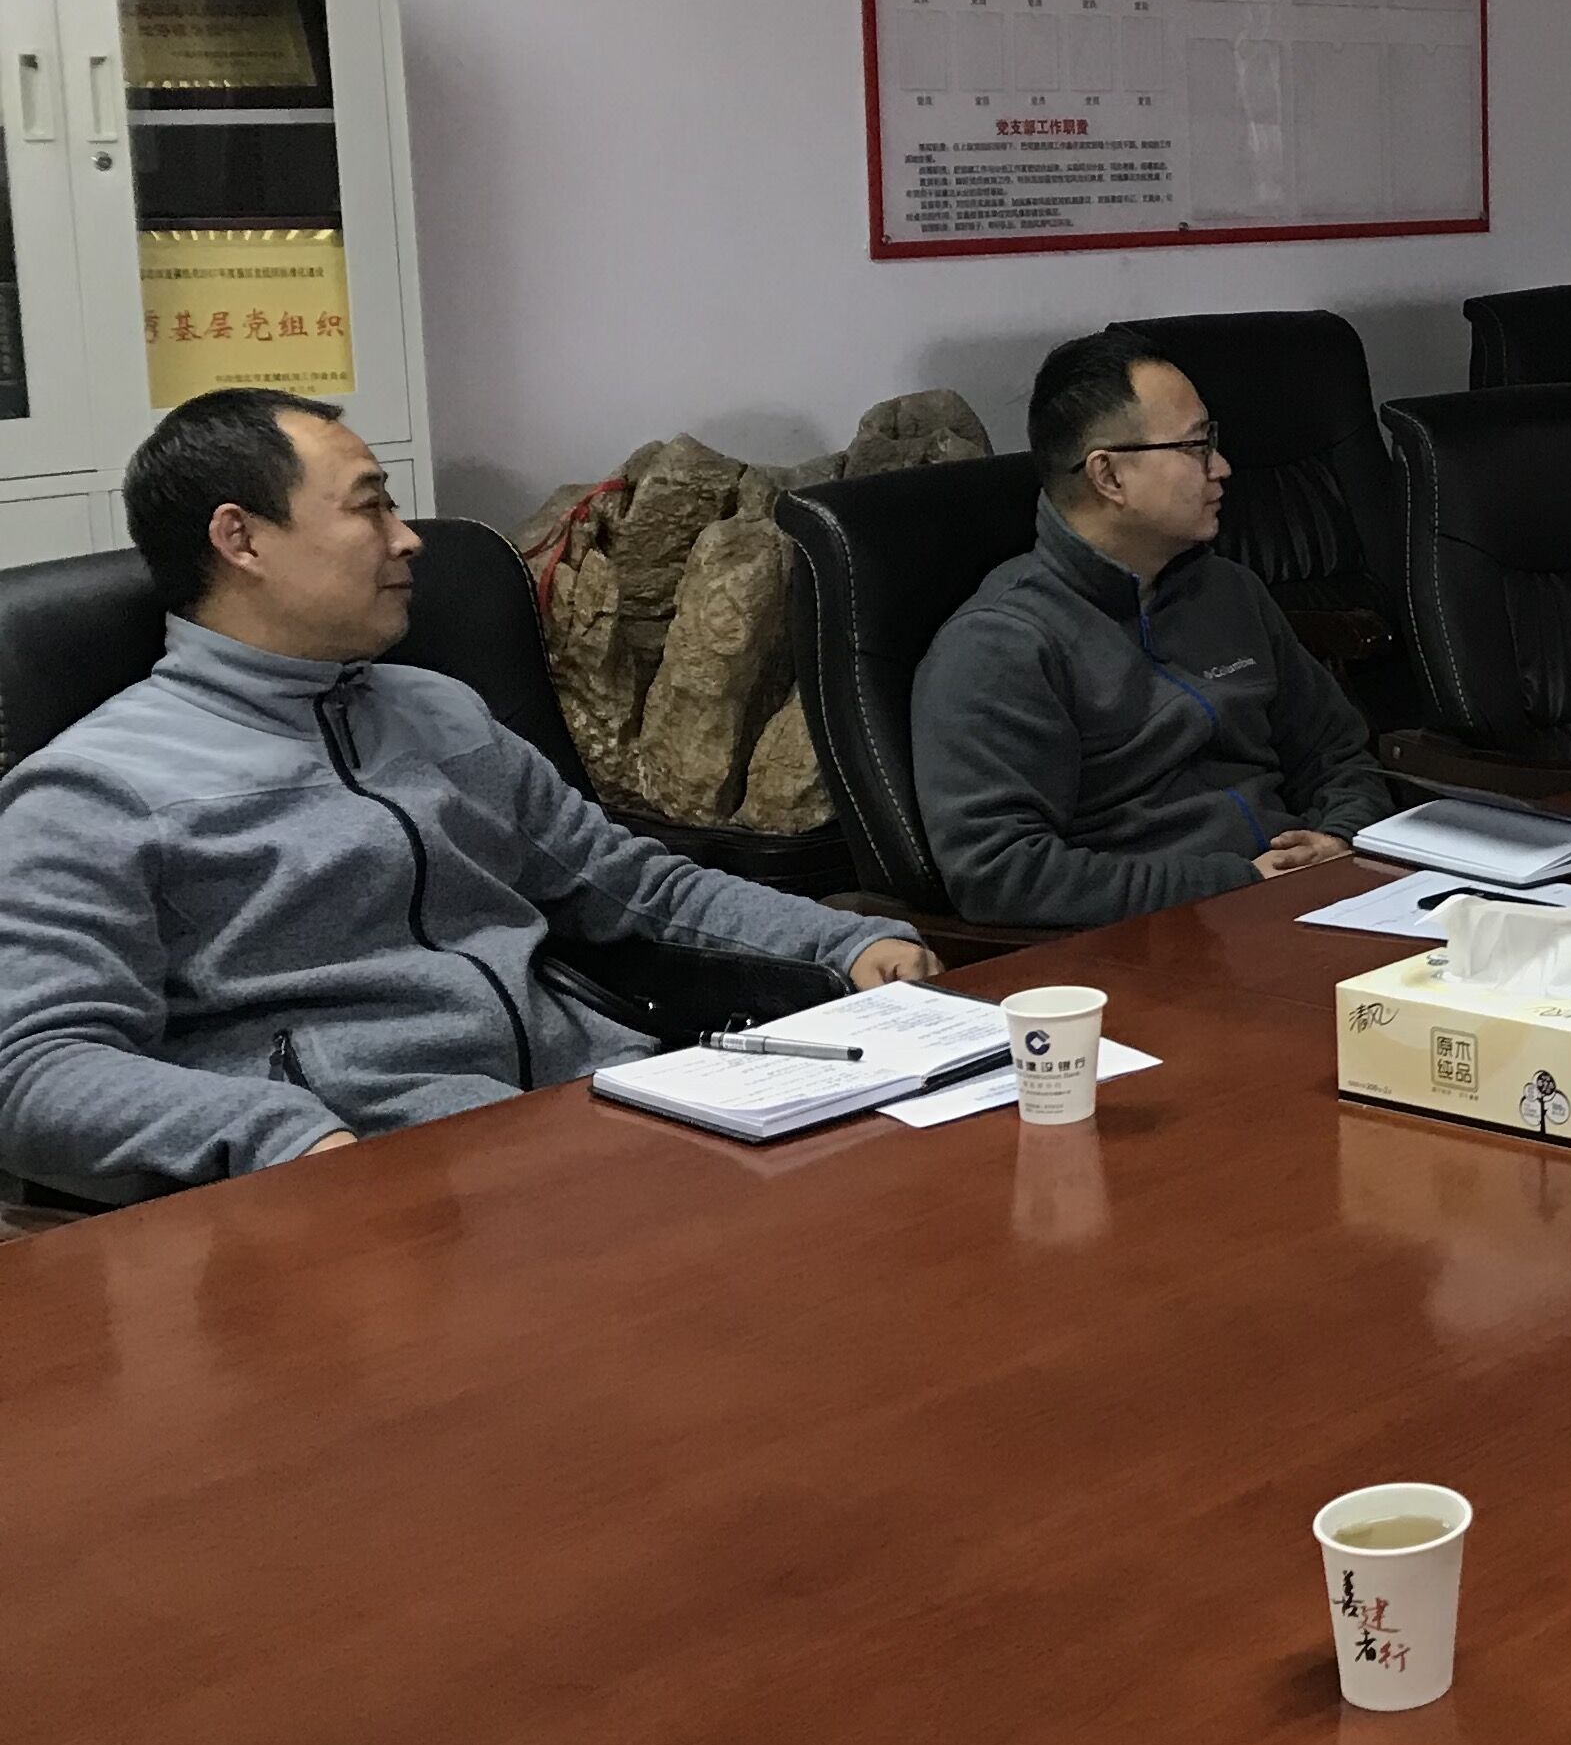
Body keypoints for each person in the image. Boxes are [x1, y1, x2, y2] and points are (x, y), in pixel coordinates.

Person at [0, 391, 935, 1206]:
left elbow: (633, 886)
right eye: (370, 507)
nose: (407, 538)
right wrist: (282, 1137)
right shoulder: (96, 792)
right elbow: (36, 1070)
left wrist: (843, 943)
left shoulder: (438, 712)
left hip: (603, 1117)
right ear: (240, 538)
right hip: (384, 1191)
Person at [912, 327, 1393, 931]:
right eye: (1195, 446)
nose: (1221, 468)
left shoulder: (1228, 591)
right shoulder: (1000, 645)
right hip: (1158, 939)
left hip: (1313, 905)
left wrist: (1341, 837)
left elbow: (1336, 751)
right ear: (1109, 476)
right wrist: (1237, 884)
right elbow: (1000, 873)